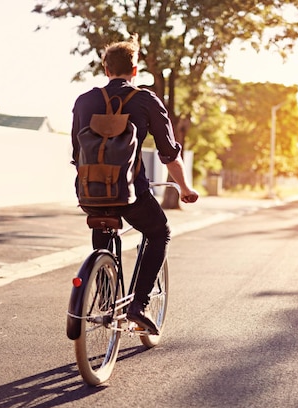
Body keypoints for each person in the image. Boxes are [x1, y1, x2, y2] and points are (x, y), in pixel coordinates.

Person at [71, 34, 199, 335]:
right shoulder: (145, 100)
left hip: (89, 193)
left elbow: (77, 153)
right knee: (159, 232)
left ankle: (104, 301)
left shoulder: (84, 100)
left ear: (106, 68)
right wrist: (184, 188)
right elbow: (169, 153)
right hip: (131, 192)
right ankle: (138, 305)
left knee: (101, 229)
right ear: (135, 69)